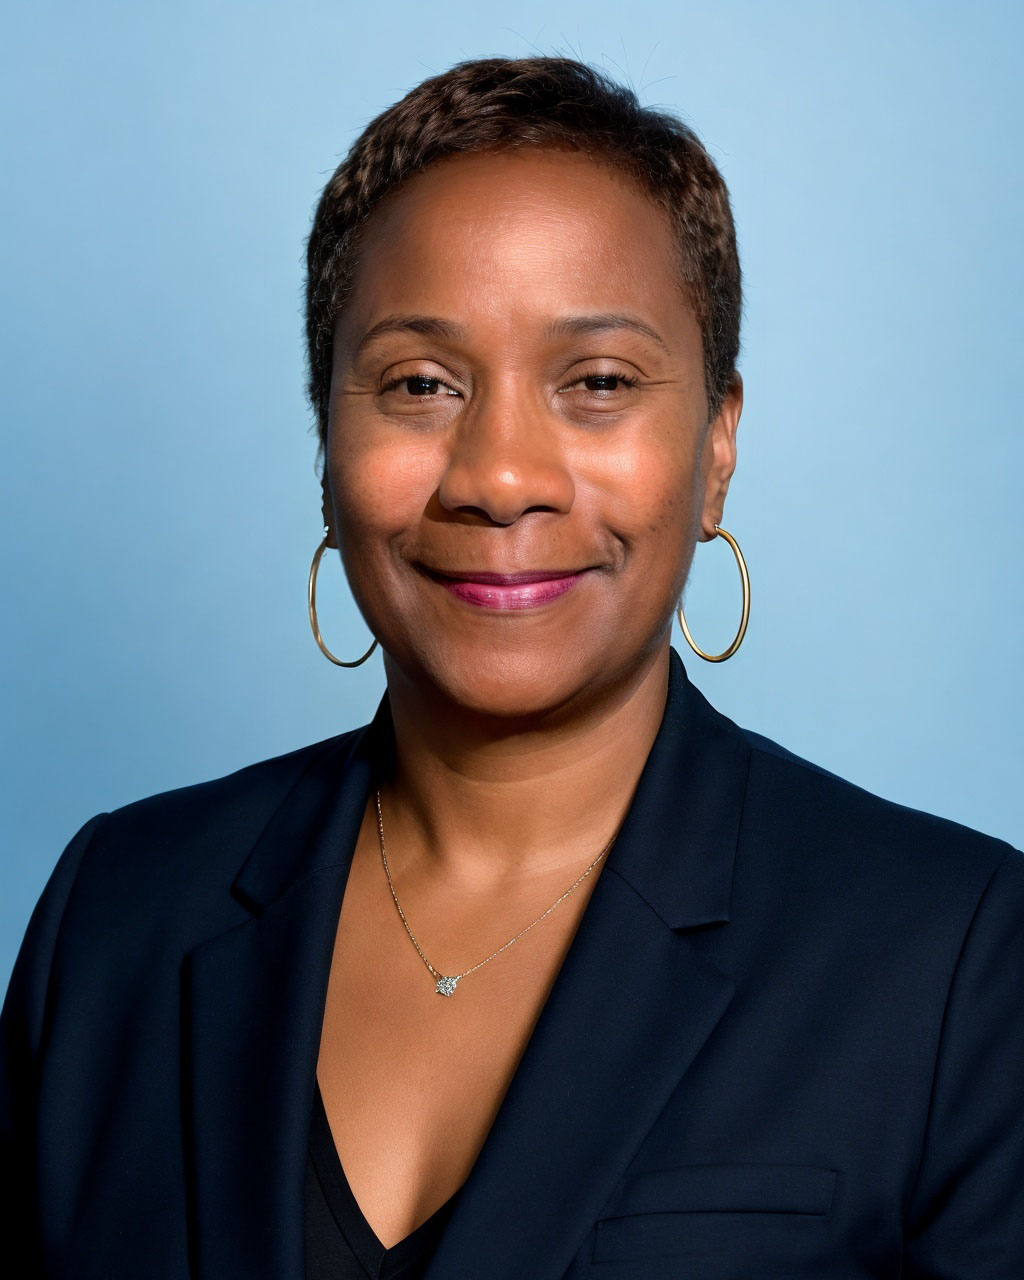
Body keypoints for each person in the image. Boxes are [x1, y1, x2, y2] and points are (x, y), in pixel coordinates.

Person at [2, 54, 1022, 1280]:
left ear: (716, 445)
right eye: (420, 383)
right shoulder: (117, 911)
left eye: (596, 383)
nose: (497, 474)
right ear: (326, 436)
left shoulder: (953, 956)